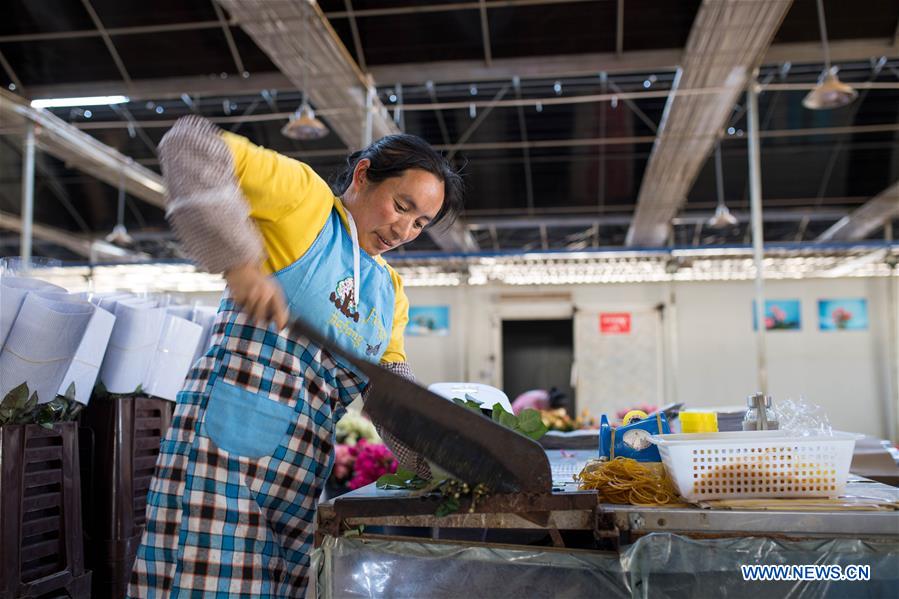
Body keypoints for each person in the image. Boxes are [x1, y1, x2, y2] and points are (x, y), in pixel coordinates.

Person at [128, 115, 463, 598]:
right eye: (401, 205)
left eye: (419, 222)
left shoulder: (390, 291)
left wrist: (446, 465)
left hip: (301, 475)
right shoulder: (305, 204)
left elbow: (390, 394)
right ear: (363, 175)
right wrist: (240, 264)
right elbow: (189, 142)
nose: (403, 229)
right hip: (223, 457)